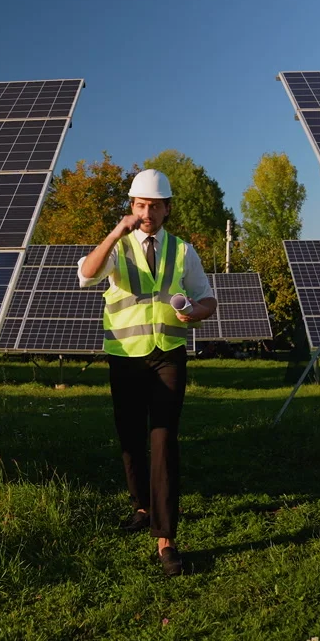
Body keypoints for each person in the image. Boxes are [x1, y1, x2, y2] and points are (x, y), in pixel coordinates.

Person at [77, 168, 217, 577]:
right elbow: (86, 275)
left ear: (167, 209)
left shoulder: (182, 251)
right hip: (125, 355)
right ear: (132, 208)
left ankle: (166, 537)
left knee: (164, 438)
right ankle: (142, 505)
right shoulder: (118, 247)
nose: (147, 213)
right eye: (140, 205)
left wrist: (193, 314)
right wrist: (114, 233)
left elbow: (208, 299)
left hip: (169, 354)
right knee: (131, 437)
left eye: (155, 206)